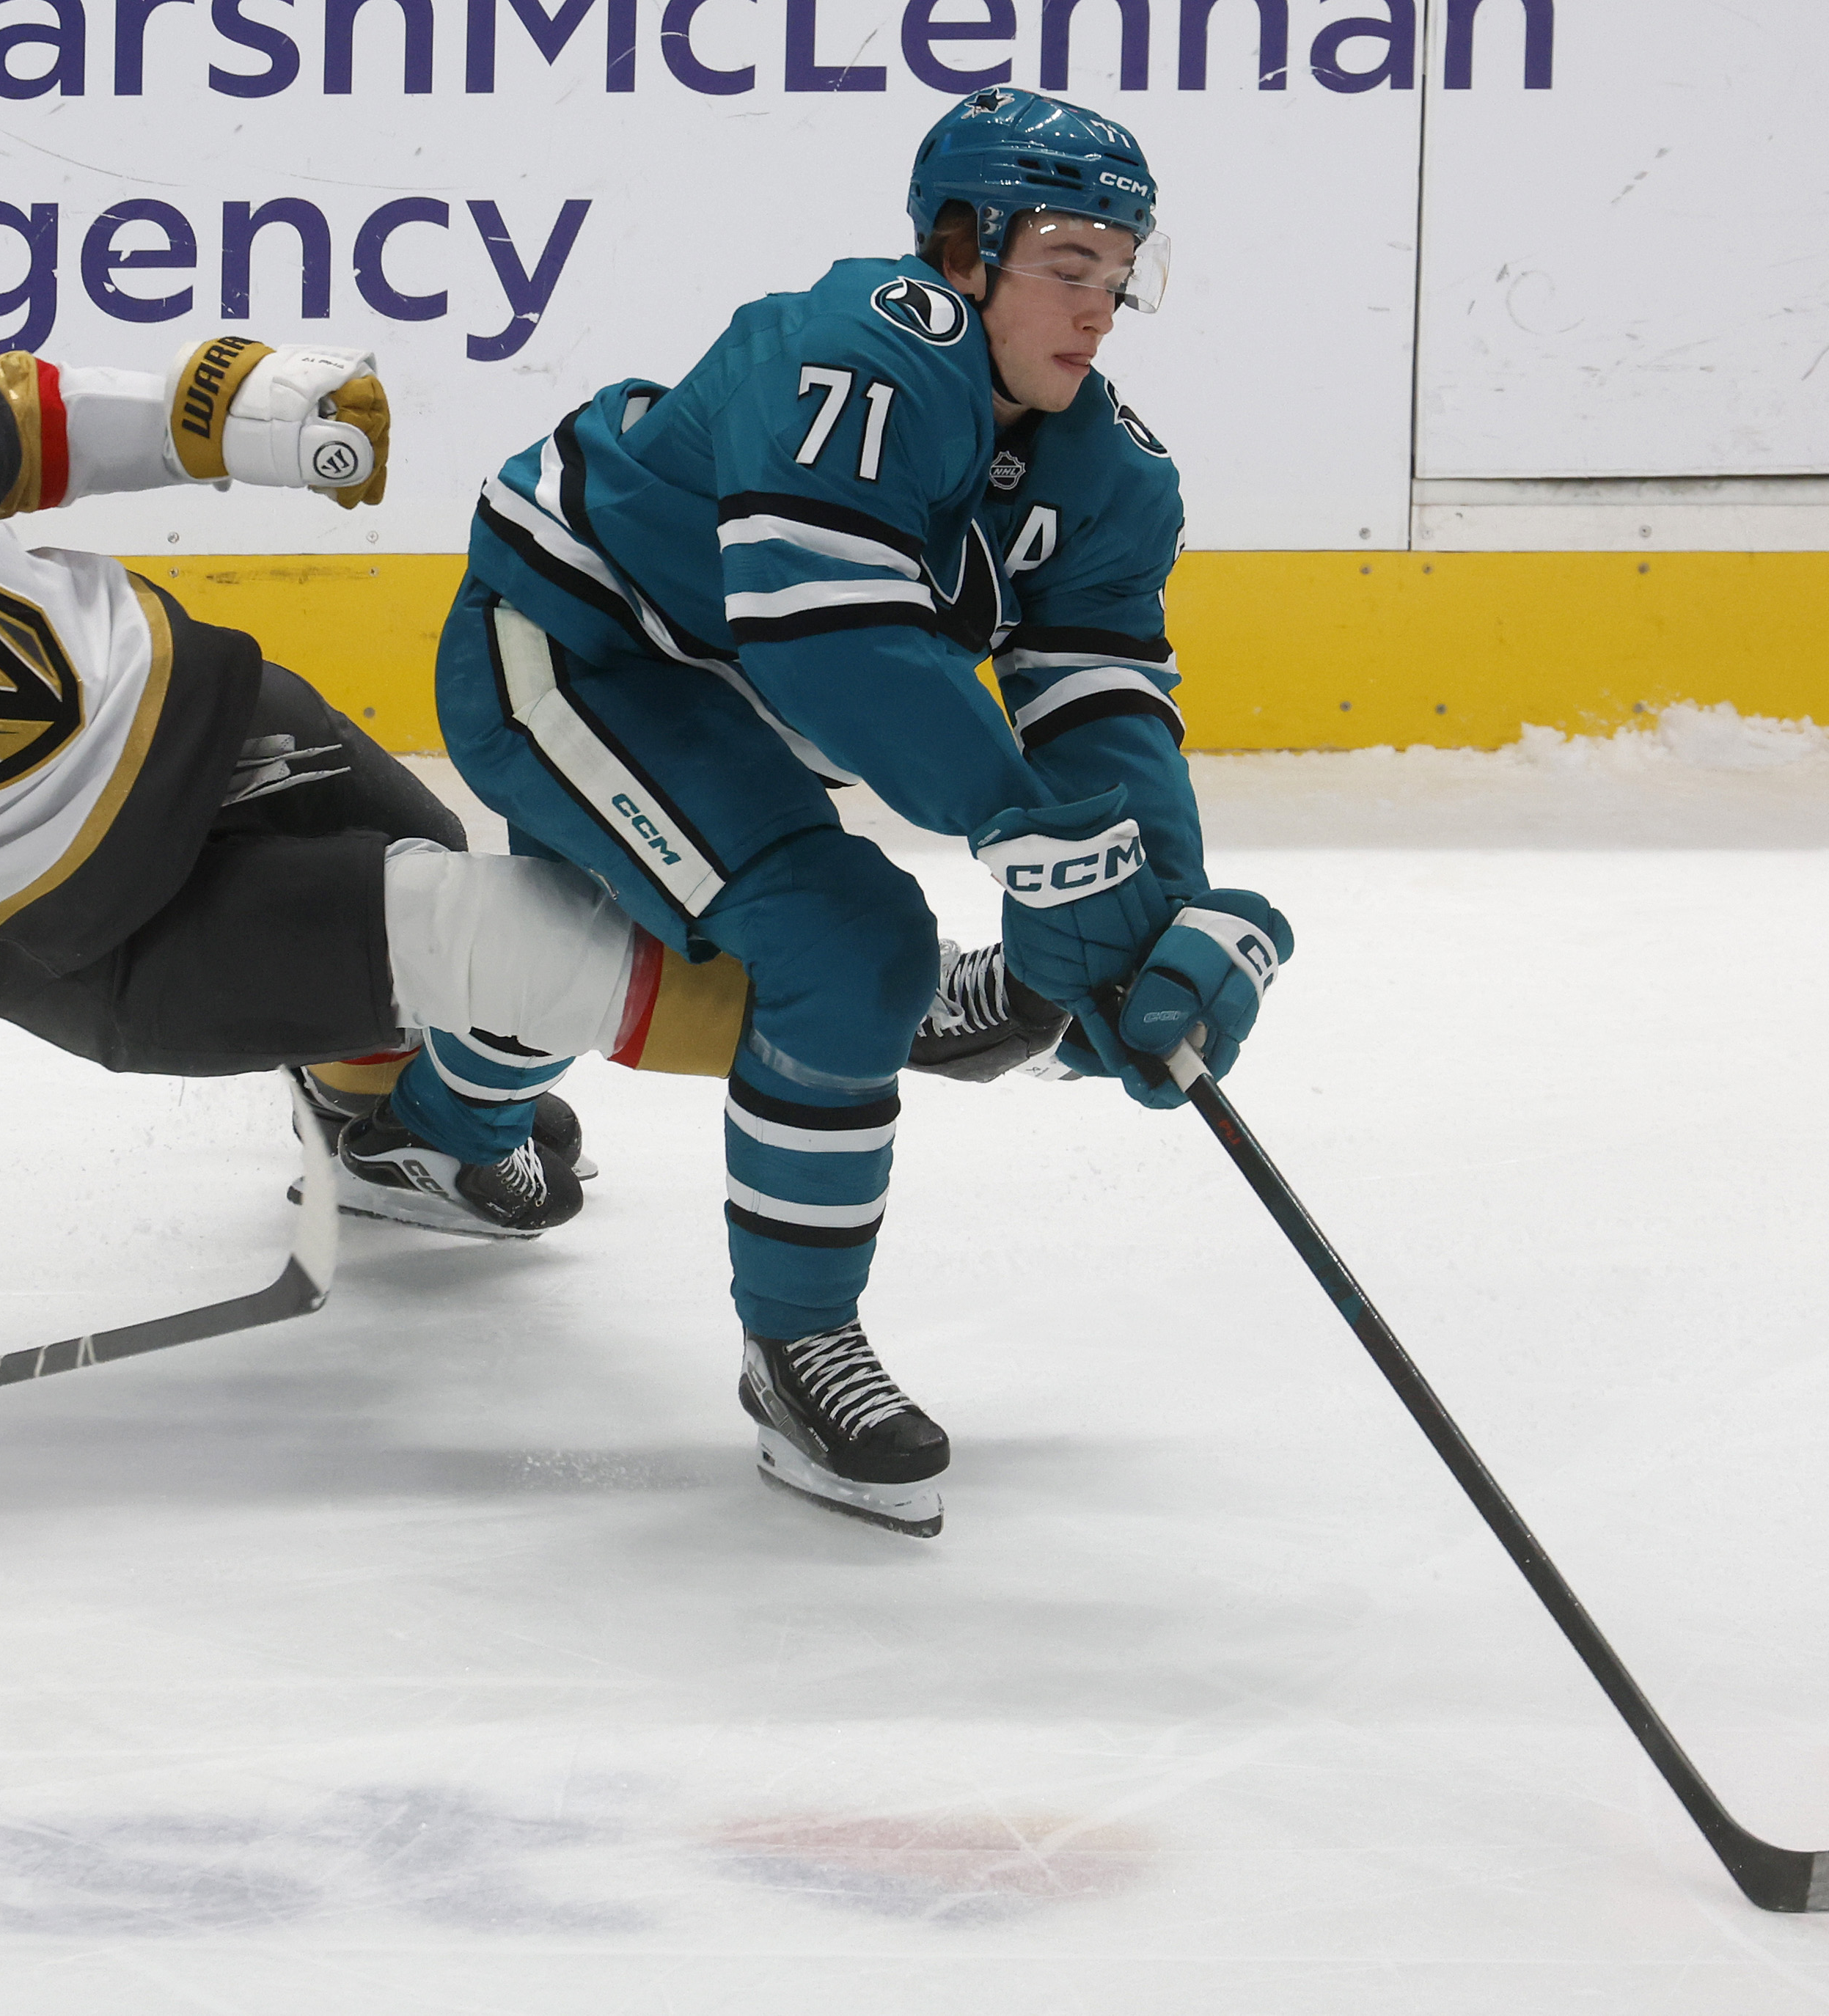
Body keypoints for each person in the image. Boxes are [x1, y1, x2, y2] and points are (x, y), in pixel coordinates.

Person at [0, 340, 753, 1503]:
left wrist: (231, 413)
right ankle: (836, 1028)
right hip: (102, 933)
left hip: (217, 717)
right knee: (508, 945)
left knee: (428, 865)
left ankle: (385, 1128)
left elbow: (31, 422)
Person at [351, 87, 1297, 1539]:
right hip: (568, 649)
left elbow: (1103, 708)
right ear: (961, 248)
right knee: (849, 949)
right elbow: (829, 641)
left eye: (1120, 274)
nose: (1097, 308)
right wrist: (1031, 833)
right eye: (1066, 263)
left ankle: (429, 1130)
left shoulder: (1110, 473)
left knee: (603, 931)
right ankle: (799, 1345)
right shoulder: (856, 349)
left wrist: (1157, 918)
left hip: (708, 702)